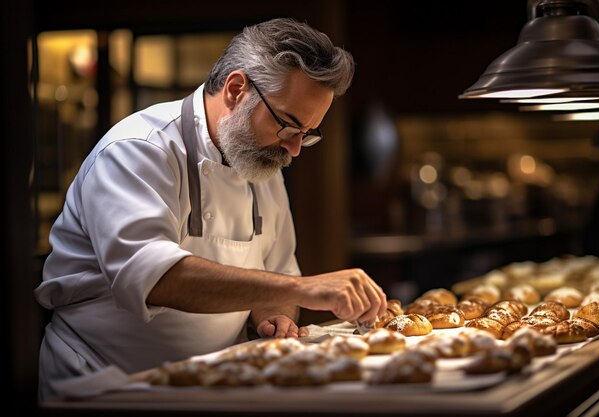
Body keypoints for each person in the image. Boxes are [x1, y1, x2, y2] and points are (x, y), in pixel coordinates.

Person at [34, 18, 387, 400]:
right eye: (288, 126)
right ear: (237, 89)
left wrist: (277, 314)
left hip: (213, 381)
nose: (295, 148)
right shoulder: (138, 149)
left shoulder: (262, 167)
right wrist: (303, 289)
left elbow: (277, 272)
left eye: (307, 134)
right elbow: (155, 278)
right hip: (106, 381)